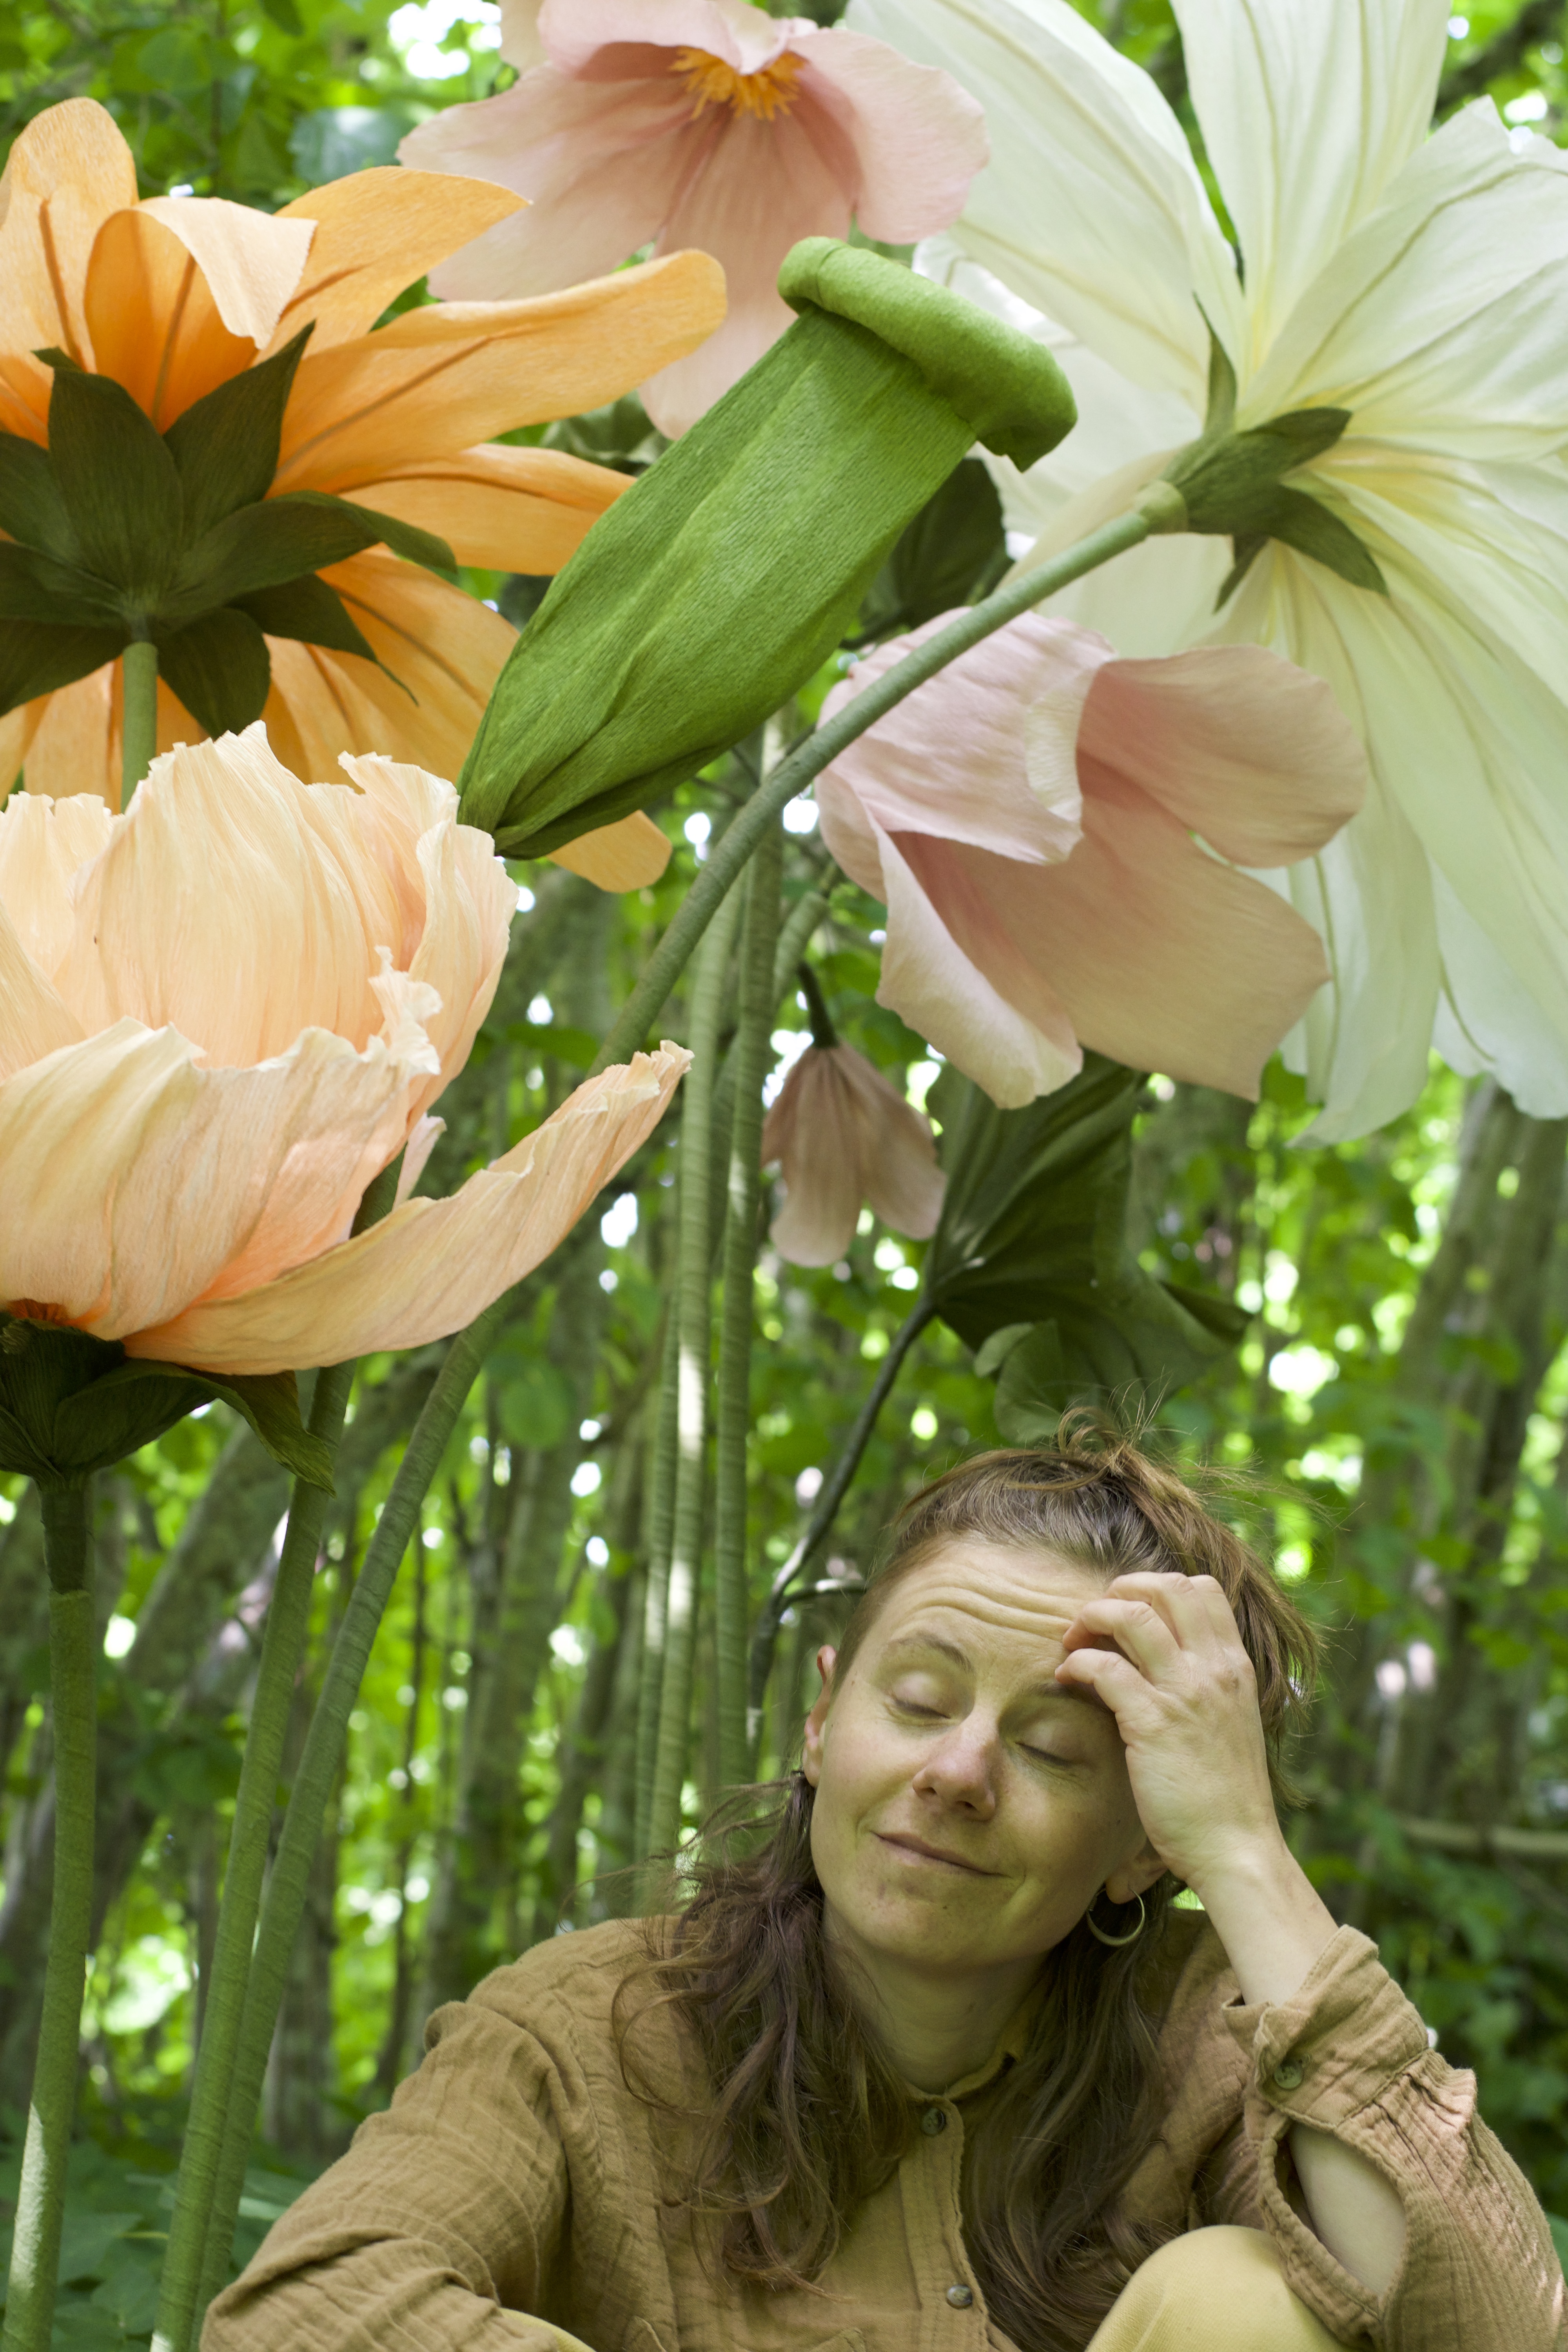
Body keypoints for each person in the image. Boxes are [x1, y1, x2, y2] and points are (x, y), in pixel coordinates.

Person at [204, 1427, 1564, 2351]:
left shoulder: (1205, 2041)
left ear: (1148, 1838)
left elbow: (1492, 2329)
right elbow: (303, 2316)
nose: (960, 1772)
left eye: (1050, 1750)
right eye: (917, 1701)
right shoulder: (588, 2030)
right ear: (819, 1729)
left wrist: (1251, 1861)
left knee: (1241, 2301)